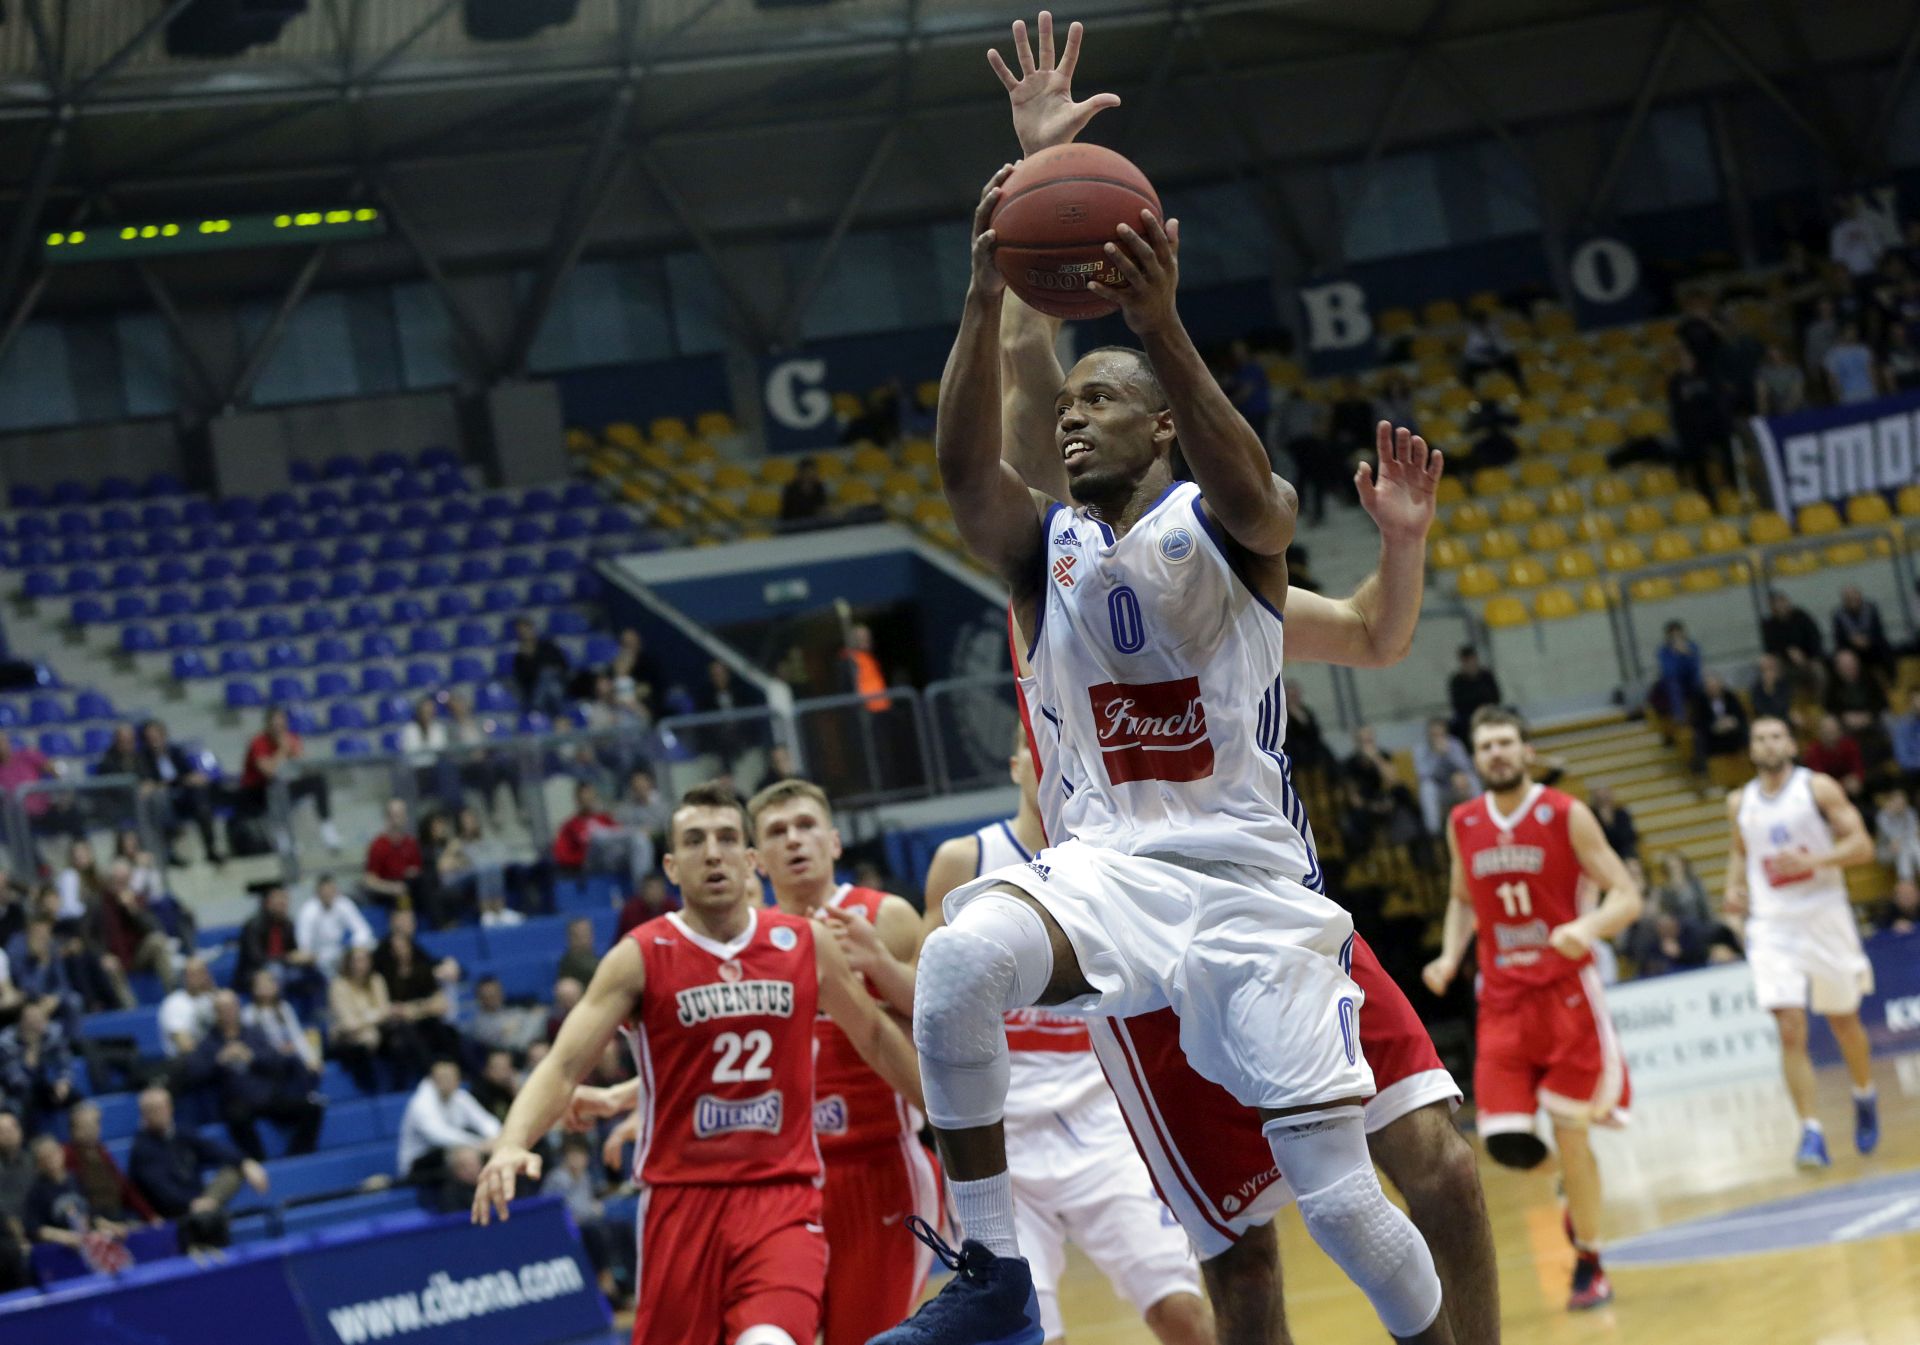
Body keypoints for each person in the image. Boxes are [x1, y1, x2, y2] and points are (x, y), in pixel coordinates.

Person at [877, 28, 1453, 1340]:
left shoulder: (1229, 534)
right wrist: (987, 275)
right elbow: (973, 467)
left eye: (1102, 400)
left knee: (1347, 1204)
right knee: (962, 960)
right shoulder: (1047, 547)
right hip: (1111, 875)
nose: (1073, 417)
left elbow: (1269, 505)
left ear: (1161, 427)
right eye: (1068, 402)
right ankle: (989, 1275)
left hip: (1250, 887)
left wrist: (1158, 321)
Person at [470, 781, 926, 1345]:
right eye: (694, 840)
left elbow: (877, 1036)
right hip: (680, 1205)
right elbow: (564, 1066)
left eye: (727, 838)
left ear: (749, 860)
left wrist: (951, 1116)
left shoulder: (803, 944)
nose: (712, 852)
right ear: (671, 866)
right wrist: (514, 1141)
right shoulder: (639, 956)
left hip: (782, 1197)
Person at [910, 733, 1206, 1344]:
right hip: (1004, 1130)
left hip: (1100, 1120)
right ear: (1017, 763)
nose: (1047, 754)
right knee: (1029, 1331)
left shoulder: (1116, 854)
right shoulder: (965, 857)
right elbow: (926, 995)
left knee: (1184, 1314)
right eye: (1032, 744)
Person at [1424, 707, 1643, 1312]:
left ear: (1525, 751)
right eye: (1486, 744)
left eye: (1506, 743)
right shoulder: (1462, 821)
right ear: (1475, 755)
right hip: (1501, 1002)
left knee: (1572, 1136)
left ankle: (1591, 1262)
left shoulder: (1566, 814)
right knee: (1506, 1142)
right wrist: (1448, 956)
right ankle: (1570, 1186)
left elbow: (1628, 894)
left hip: (1566, 997)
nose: (1496, 753)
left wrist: (1589, 926)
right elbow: (1462, 899)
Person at [744, 778, 943, 1345]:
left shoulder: (887, 917)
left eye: (807, 826)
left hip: (879, 1165)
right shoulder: (749, 942)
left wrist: (878, 964)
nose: (795, 840)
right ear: (757, 859)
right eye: (778, 832)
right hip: (784, 1180)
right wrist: (631, 1099)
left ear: (834, 841)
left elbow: (944, 1026)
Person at [1727, 716, 1879, 1168]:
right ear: (1751, 748)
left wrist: (1815, 861)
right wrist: (1733, 889)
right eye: (1759, 738)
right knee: (1789, 1026)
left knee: (1843, 1021)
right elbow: (1740, 852)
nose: (1768, 744)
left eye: (1776, 736)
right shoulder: (1739, 801)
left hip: (1824, 914)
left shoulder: (1818, 789)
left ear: (1791, 744)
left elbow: (1863, 846)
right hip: (1773, 924)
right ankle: (1810, 1132)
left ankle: (1864, 1093)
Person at [182, 990, 324, 1162]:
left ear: (238, 1007)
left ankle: (298, 1157)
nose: (228, 1012)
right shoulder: (208, 1042)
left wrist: (252, 1058)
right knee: (237, 1117)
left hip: (268, 1096)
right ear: (216, 1012)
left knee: (312, 1108)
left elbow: (277, 1061)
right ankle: (258, 1163)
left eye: (231, 1006)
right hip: (237, 1101)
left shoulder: (254, 1034)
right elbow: (194, 1073)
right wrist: (218, 1060)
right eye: (222, 1008)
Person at [128, 1085, 266, 1229]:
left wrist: (245, 1162)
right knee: (203, 1212)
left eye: (164, 1107)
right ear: (144, 1114)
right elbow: (162, 1191)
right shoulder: (142, 1149)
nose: (162, 1113)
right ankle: (206, 1212)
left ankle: (207, 1209)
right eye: (155, 1109)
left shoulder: (180, 1133)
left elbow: (214, 1149)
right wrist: (190, 1203)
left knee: (234, 1170)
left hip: (203, 1202)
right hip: (172, 1213)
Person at [542, 1134, 629, 1303]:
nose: (577, 1160)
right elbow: (562, 1211)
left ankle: (629, 1281)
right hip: (565, 1228)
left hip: (586, 1223)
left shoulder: (585, 1177)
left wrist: (594, 1209)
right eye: (572, 1155)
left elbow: (588, 1206)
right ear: (565, 1158)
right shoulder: (557, 1178)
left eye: (580, 1155)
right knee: (595, 1231)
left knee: (620, 1226)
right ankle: (606, 1280)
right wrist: (592, 1209)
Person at [329, 944, 428, 1092]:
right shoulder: (339, 986)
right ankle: (370, 1091)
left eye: (365, 959)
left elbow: (385, 1011)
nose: (362, 964)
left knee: (402, 1034)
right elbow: (349, 1024)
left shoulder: (376, 980)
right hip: (349, 1038)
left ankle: (407, 1083)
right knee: (366, 1042)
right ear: (348, 963)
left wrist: (370, 1019)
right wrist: (374, 1017)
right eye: (358, 960)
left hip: (378, 1031)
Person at [239, 706, 340, 851]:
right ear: (268, 725)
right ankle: (283, 839)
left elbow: (304, 766)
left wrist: (297, 753)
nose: (279, 729)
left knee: (317, 781)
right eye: (275, 725)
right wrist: (282, 750)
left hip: (283, 786)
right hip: (257, 791)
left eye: (282, 725)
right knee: (276, 784)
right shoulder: (258, 742)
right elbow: (269, 772)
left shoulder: (291, 738)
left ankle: (327, 829)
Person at [372, 909, 462, 1061]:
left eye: (404, 946)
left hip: (418, 1014)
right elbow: (390, 1007)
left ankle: (455, 1069)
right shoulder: (380, 961)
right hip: (396, 1021)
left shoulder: (418, 960)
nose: (401, 951)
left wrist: (447, 963)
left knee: (446, 1030)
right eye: (396, 948)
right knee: (407, 1036)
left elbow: (435, 997)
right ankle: (432, 1070)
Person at [397, 1057, 499, 1185]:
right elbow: (438, 1135)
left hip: (454, 1152)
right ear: (432, 1079)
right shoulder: (420, 1102)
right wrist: (479, 1144)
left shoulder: (461, 1097)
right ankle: (461, 1201)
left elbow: (487, 1121)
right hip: (419, 1163)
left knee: (488, 1152)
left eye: (451, 1077)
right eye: (442, 1077)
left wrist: (494, 1139)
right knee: (464, 1156)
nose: (447, 1081)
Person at [138, 720, 224, 866]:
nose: (155, 742)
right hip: (162, 801)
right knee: (160, 797)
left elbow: (188, 775)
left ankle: (211, 849)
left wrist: (192, 779)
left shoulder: (175, 752)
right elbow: (150, 783)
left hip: (184, 796)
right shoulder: (143, 759)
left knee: (200, 795)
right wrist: (176, 782)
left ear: (164, 736)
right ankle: (170, 852)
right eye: (150, 738)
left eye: (157, 737)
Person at [25, 1134, 127, 1255]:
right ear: (38, 1165)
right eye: (44, 1158)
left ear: (61, 1152)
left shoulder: (77, 1179)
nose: (51, 1160)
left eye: (53, 1154)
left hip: (89, 1240)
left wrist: (111, 1226)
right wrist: (63, 1236)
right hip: (61, 1249)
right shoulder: (36, 1191)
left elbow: (93, 1215)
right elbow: (35, 1229)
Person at [63, 1099, 157, 1227]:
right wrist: (96, 1222)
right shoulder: (67, 1155)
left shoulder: (101, 1151)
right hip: (92, 1222)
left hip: (116, 1214)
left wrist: (150, 1215)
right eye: (85, 1126)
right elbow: (74, 1197)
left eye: (95, 1124)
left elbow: (124, 1187)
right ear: (73, 1129)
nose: (91, 1130)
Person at [235, 885, 320, 1004]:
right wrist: (288, 958)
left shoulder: (288, 924)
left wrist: (303, 958)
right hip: (254, 971)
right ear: (267, 903)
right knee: (276, 972)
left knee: (313, 968)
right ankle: (280, 1010)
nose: (283, 904)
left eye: (285, 900)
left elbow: (293, 951)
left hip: (283, 966)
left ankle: (315, 1010)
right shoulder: (253, 925)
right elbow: (256, 958)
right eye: (278, 901)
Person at [0, 1001, 75, 1129]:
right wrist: (32, 1049)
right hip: (16, 1092)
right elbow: (19, 1083)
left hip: (46, 1086)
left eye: (39, 1018)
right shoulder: (6, 1043)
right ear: (20, 1022)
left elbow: (64, 1062)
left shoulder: (53, 1032)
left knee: (76, 1098)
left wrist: (64, 1081)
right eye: (31, 1019)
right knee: (22, 1103)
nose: (36, 1024)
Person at [294, 875, 375, 978]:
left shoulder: (343, 903)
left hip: (340, 953)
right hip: (318, 956)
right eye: (324, 891)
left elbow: (362, 929)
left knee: (369, 945)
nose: (328, 894)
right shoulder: (308, 911)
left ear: (336, 890)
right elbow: (304, 942)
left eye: (331, 890)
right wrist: (309, 954)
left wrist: (354, 947)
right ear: (318, 892)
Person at [243, 967, 319, 1073]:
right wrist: (277, 1051)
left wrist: (310, 1059)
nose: (266, 986)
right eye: (261, 983)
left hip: (291, 1058)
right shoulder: (248, 1013)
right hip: (267, 1062)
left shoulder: (284, 1008)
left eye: (269, 981)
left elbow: (296, 1035)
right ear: (253, 988)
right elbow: (253, 1044)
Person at [1413, 718, 1476, 836]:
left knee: (1471, 778)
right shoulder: (1421, 749)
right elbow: (1423, 775)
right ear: (1428, 735)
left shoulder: (1455, 744)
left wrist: (1449, 754)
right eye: (1434, 735)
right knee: (1427, 787)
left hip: (1456, 787)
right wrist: (1437, 756)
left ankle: (1481, 815)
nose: (1438, 738)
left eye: (1441, 734)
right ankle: (1434, 831)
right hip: (1438, 791)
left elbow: (1466, 767)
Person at [363, 797, 424, 915]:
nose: (397, 819)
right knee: (402, 895)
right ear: (387, 818)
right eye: (394, 815)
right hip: (388, 889)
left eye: (401, 814)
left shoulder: (411, 843)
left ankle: (440, 926)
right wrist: (392, 888)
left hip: (409, 885)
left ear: (406, 817)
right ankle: (405, 927)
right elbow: (369, 880)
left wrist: (414, 873)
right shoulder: (378, 846)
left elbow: (418, 869)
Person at [510, 618, 570, 719]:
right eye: (521, 631)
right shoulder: (520, 657)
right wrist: (528, 658)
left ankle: (542, 717)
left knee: (548, 677)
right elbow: (523, 680)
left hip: (555, 683)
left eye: (526, 629)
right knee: (548, 685)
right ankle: (561, 718)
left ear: (532, 629)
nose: (524, 633)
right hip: (535, 690)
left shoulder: (548, 646)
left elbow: (562, 665)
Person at [158, 956, 217, 1058]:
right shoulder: (174, 1003)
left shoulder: (213, 999)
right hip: (185, 1061)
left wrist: (213, 991)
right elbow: (184, 1045)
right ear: (184, 977)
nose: (198, 978)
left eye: (201, 973)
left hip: (215, 1059)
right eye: (192, 974)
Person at [1690, 671, 1751, 770]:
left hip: (1732, 733)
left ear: (1720, 685)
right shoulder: (1700, 701)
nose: (1713, 689)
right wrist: (1714, 726)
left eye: (1715, 686)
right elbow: (1698, 722)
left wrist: (1732, 721)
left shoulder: (1730, 696)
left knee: (1746, 730)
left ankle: (1752, 761)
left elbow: (1741, 715)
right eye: (1710, 687)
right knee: (1699, 738)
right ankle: (1704, 770)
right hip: (1712, 736)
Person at [1802, 714, 1867, 802]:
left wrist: (1857, 778)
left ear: (1840, 731)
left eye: (1833, 730)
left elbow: (1858, 768)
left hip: (1852, 791)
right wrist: (1842, 784)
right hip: (1826, 795)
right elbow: (1818, 778)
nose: (1829, 733)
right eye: (1826, 730)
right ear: (1819, 732)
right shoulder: (1813, 751)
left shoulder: (1849, 745)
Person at [1761, 590, 1825, 674]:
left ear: (1787, 602)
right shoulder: (1769, 624)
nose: (1779, 606)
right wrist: (1787, 652)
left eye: (1781, 602)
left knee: (1817, 667)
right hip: (1784, 660)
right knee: (1766, 663)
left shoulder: (1801, 616)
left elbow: (1815, 636)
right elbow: (1770, 648)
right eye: (1775, 604)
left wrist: (1808, 655)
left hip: (1808, 655)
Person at [1832, 586, 1892, 675]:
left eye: (1854, 597)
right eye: (1849, 598)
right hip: (1851, 647)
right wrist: (1852, 640)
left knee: (1885, 649)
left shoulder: (1871, 609)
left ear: (1860, 597)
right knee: (1843, 657)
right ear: (1844, 601)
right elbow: (1838, 638)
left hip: (1873, 644)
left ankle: (1891, 680)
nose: (1853, 600)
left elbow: (1878, 630)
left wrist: (1868, 640)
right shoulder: (1838, 615)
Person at [1447, 646, 1500, 745]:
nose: (1470, 664)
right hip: (1467, 717)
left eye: (1472, 660)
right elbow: (1457, 704)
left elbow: (1496, 697)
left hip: (1489, 711)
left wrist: (1485, 709)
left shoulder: (1486, 675)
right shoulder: (1457, 680)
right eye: (1466, 661)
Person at [1821, 322, 1879, 404]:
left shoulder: (1864, 350)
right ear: (1842, 332)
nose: (1852, 333)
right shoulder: (1833, 354)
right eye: (1849, 330)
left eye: (1854, 330)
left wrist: (1876, 392)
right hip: (1847, 397)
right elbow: (1832, 379)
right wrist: (1837, 398)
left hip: (1868, 393)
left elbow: (1872, 373)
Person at [1587, 785, 1639, 863]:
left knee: (1631, 860)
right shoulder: (1591, 815)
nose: (1604, 800)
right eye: (1600, 798)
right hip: (1601, 852)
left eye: (1606, 797)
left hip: (1623, 851)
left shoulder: (1621, 813)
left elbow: (1630, 836)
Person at [781, 456, 830, 524]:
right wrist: (815, 510)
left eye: (812, 471)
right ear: (801, 472)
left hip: (816, 523)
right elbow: (791, 511)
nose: (810, 474)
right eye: (807, 471)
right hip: (793, 524)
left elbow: (822, 505)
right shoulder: (791, 488)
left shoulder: (819, 487)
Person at [1751, 653, 1796, 725]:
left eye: (1771, 669)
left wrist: (1772, 688)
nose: (1768, 673)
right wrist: (1768, 688)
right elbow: (1759, 709)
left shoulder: (1785, 684)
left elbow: (1784, 705)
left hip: (1785, 718)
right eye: (1764, 670)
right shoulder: (1757, 688)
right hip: (1767, 721)